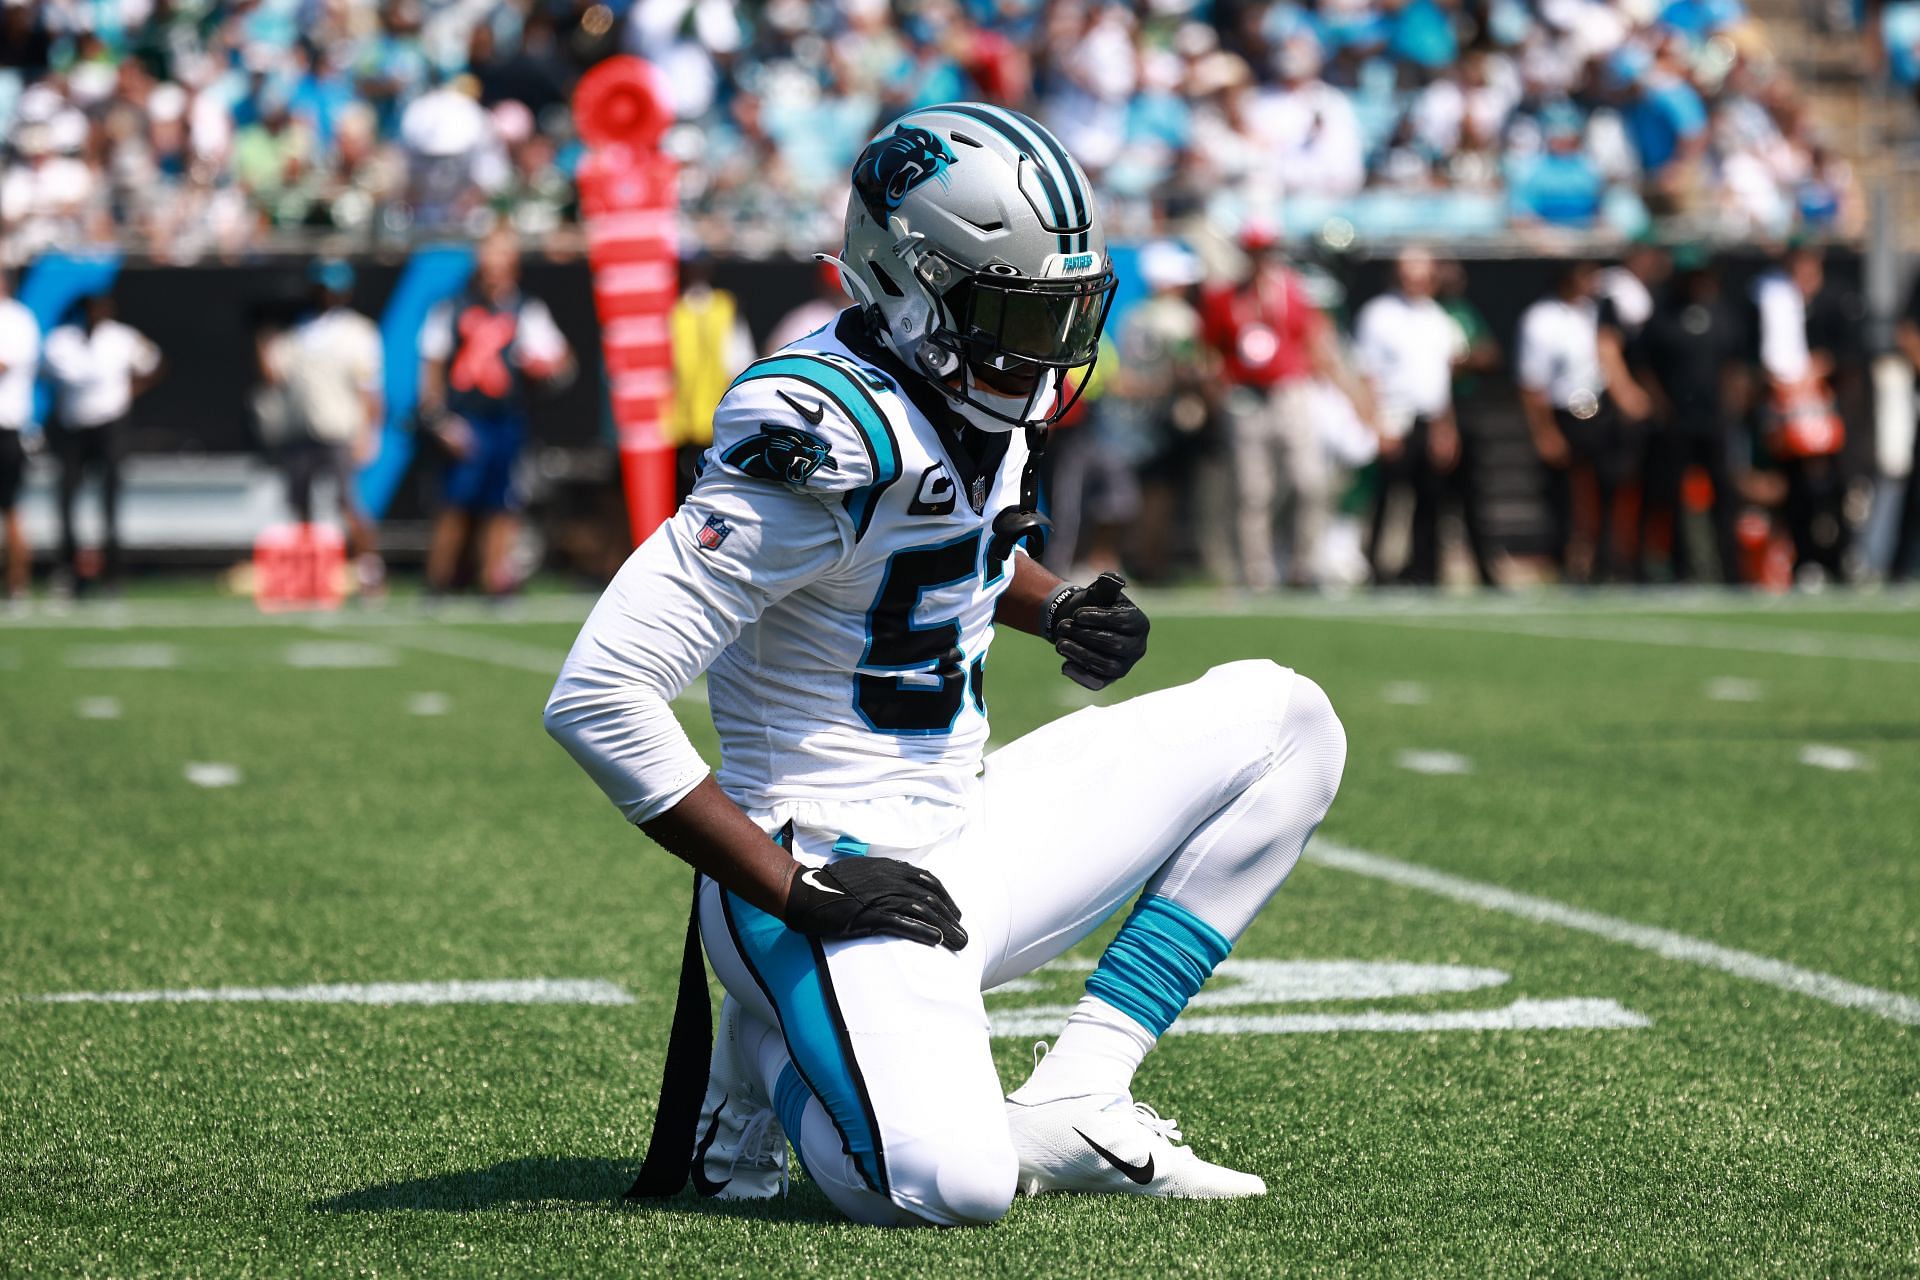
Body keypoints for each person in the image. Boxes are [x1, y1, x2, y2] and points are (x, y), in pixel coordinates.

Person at [545, 104, 1347, 1227]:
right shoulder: (818, 428)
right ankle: (769, 1048)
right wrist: (790, 889)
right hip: (819, 859)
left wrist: (1052, 601)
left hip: (959, 823)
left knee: (1288, 719)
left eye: (1060, 307)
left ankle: (1081, 1092)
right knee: (950, 1184)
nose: (1047, 344)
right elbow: (600, 692)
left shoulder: (981, 389)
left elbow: (946, 551)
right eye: (1018, 308)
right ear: (911, 285)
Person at [1201, 222, 1374, 589]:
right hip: (1246, 395)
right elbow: (1211, 348)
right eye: (1254, 251)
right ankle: (1257, 572)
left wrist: (1341, 388)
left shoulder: (1292, 291)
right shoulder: (1225, 297)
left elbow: (1313, 338)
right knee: (1253, 490)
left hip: (1289, 390)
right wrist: (1219, 393)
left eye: (1265, 251)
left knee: (1308, 480)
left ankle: (1304, 564)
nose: (1260, 259)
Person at [418, 226, 573, 597]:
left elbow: (563, 365)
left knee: (502, 503)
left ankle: (494, 580)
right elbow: (432, 368)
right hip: (465, 416)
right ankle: (439, 580)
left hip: (506, 419)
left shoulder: (527, 311)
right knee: (455, 502)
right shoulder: (451, 307)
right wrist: (440, 420)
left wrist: (549, 369)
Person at [1517, 261, 1648, 583]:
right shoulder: (1542, 318)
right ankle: (1565, 565)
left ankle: (1605, 563)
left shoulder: (1599, 313)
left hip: (1599, 410)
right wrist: (1545, 431)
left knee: (1607, 488)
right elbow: (1532, 382)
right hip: (1565, 412)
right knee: (1563, 495)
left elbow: (1633, 318)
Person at [260, 258, 384, 593]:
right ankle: (307, 578)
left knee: (349, 503)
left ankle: (369, 573)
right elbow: (275, 376)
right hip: (301, 431)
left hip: (340, 430)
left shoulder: (358, 332)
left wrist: (369, 433)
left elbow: (370, 389)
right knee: (299, 505)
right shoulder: (298, 333)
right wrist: (264, 342)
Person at [1352, 247, 1466, 586]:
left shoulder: (1438, 317)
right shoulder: (1379, 315)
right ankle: (1377, 570)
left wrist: (1446, 428)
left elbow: (1440, 381)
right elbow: (1367, 374)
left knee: (1429, 500)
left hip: (1428, 419)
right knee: (1386, 499)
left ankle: (1424, 571)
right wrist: (1377, 424)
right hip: (1393, 418)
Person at [1635, 248, 1747, 584]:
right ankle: (1678, 567)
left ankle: (1731, 570)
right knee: (1670, 495)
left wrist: (1733, 407)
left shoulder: (1723, 313)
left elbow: (1736, 364)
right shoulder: (1663, 315)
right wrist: (1660, 405)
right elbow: (1644, 364)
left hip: (1714, 419)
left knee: (1724, 495)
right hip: (1676, 421)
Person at [42, 291, 163, 596]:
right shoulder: (62, 341)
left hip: (111, 425)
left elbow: (153, 363)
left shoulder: (122, 338)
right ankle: (69, 570)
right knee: (67, 498)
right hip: (74, 427)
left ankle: (113, 574)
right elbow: (49, 376)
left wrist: (128, 392)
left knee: (109, 500)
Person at [1752, 244, 1849, 582]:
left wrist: (1818, 370)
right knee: (1794, 487)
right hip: (1788, 407)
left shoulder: (1834, 300)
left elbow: (1847, 351)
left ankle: (1839, 559)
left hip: (1827, 410)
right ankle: (1803, 556)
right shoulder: (1776, 300)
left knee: (1835, 486)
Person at [668, 252, 755, 498]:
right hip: (677, 421)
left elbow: (739, 360)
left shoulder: (724, 306)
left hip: (717, 417)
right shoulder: (671, 308)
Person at [0, 268, 39, 606]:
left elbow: (5, 363)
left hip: (6, 427)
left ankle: (17, 586)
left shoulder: (16, 320)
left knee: (11, 509)